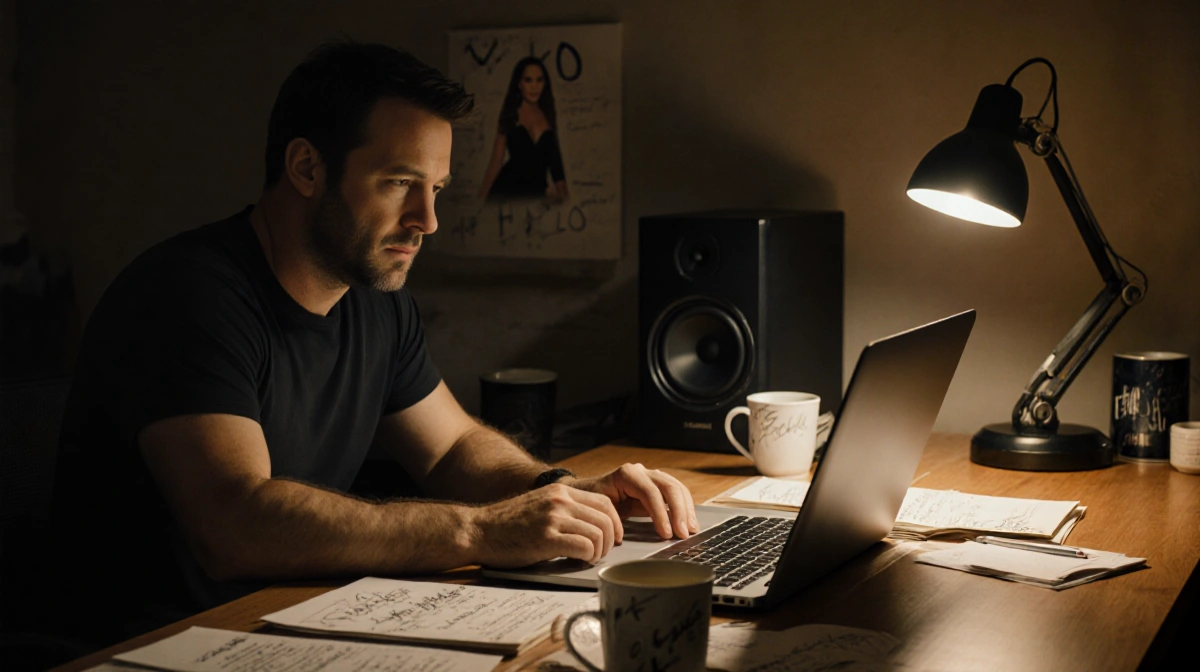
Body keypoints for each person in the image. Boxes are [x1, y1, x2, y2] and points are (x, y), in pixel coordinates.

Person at [48, 40, 697, 651]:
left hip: (290, 625)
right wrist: (479, 531)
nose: (428, 220)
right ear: (306, 167)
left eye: (436, 190)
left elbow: (451, 449)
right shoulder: (189, 295)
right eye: (398, 183)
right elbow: (234, 523)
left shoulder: (374, 300)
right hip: (157, 647)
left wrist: (562, 490)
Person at [479, 57, 568, 203]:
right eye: (528, 80)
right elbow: (496, 162)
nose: (534, 87)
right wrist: (479, 204)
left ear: (545, 83)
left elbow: (557, 168)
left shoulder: (548, 115)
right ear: (519, 84)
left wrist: (565, 199)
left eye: (539, 80)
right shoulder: (510, 114)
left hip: (536, 197)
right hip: (505, 194)